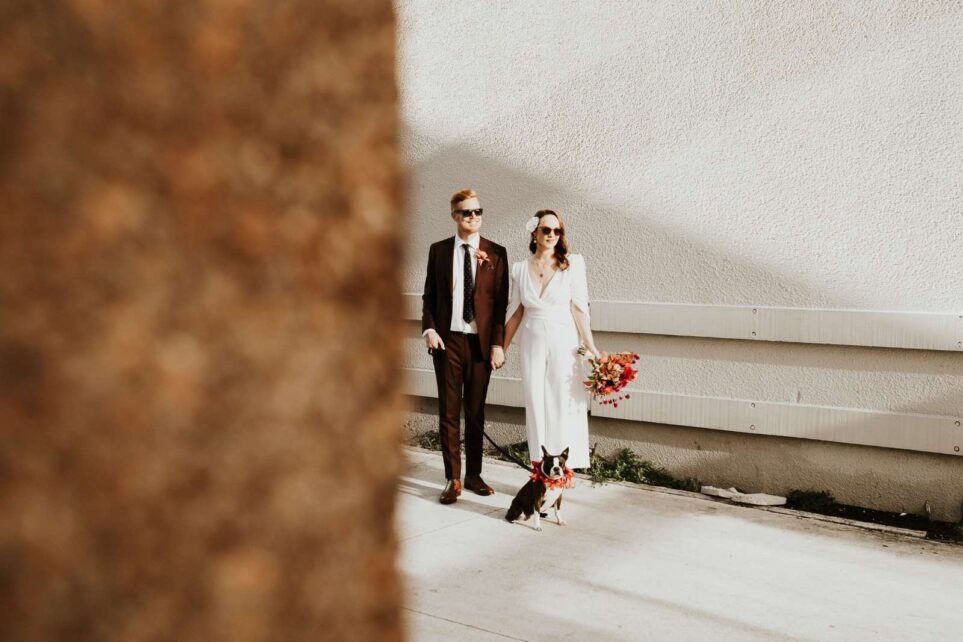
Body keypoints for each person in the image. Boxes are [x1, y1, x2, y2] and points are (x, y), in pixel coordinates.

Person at [421, 188, 509, 504]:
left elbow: (500, 306)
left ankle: (473, 475)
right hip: (448, 342)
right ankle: (453, 479)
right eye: (467, 212)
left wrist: (498, 345)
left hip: (481, 345)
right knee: (449, 410)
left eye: (478, 211)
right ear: (454, 216)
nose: (473, 217)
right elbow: (429, 297)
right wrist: (429, 329)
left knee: (475, 411)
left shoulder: (496, 253)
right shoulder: (439, 251)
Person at [502, 210, 598, 469]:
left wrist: (591, 347)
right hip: (532, 342)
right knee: (535, 402)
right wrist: (500, 348)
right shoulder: (520, 269)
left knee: (562, 400)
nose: (552, 235)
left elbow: (579, 309)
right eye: (547, 230)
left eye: (557, 231)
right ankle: (539, 466)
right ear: (535, 233)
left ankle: (564, 467)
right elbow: (515, 312)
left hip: (563, 340)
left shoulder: (573, 264)